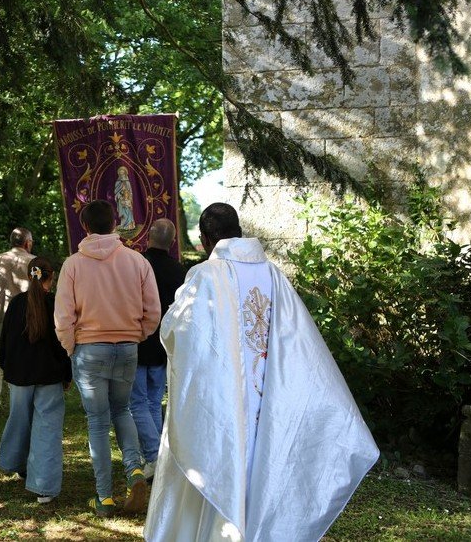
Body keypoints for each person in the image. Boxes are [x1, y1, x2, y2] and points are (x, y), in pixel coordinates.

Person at [144, 203, 379, 542]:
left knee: (220, 456)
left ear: (206, 239)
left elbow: (178, 331)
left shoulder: (206, 275)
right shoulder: (273, 274)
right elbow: (298, 340)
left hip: (225, 399)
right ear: (237, 230)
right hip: (268, 396)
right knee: (262, 465)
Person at [54, 199, 161, 517]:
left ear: (84, 227)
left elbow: (63, 316)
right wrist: (137, 334)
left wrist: (71, 346)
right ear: (114, 223)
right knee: (123, 410)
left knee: (98, 423)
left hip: (90, 349)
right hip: (127, 347)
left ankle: (104, 497)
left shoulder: (72, 264)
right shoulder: (137, 261)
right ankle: (135, 471)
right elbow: (153, 310)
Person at [0, 257, 72, 504]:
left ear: (30, 277)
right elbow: (63, 345)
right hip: (49, 376)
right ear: (50, 278)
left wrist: (6, 366)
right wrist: (66, 374)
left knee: (20, 420)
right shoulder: (55, 305)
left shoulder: (16, 304)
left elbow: (4, 344)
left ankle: (18, 463)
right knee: (47, 428)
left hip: (19, 376)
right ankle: (44, 486)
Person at [131, 218, 185, 480]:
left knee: (138, 403)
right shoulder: (179, 271)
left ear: (147, 237)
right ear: (172, 241)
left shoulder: (138, 265)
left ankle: (154, 455)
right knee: (153, 402)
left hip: (140, 341)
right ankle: (153, 456)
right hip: (163, 346)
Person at [0, 227, 35, 423]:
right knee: (25, 357)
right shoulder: (33, 263)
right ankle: (22, 404)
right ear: (27, 243)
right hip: (25, 318)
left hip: (0, 317)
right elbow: (39, 292)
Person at [114, 166, 136, 231]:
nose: (122, 175)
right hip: (121, 200)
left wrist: (130, 198)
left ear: (125, 174)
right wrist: (119, 196)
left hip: (127, 200)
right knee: (123, 214)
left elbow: (130, 191)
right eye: (120, 174)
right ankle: (124, 225)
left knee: (129, 212)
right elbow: (116, 192)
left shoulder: (127, 182)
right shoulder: (118, 182)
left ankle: (130, 225)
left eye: (123, 174)